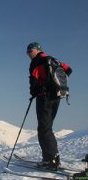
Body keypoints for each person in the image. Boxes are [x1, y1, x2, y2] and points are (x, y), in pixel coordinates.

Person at [27, 42, 72, 170]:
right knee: (47, 127)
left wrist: (35, 92)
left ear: (37, 50)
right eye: (27, 52)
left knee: (43, 128)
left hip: (45, 97)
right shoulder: (53, 60)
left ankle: (50, 160)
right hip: (57, 96)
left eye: (30, 51)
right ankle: (53, 157)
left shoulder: (37, 62)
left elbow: (34, 80)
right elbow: (69, 70)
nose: (28, 54)